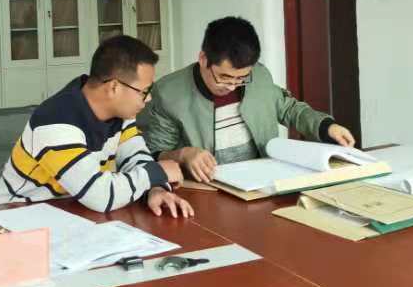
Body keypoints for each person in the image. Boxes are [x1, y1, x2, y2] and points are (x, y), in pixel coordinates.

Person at [0, 35, 193, 218]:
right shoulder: (55, 121)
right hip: (10, 218)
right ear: (114, 87)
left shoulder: (121, 114)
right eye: (144, 91)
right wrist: (156, 173)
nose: (148, 99)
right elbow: (100, 196)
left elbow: (135, 157)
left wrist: (156, 189)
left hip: (69, 214)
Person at [138, 16, 356, 183]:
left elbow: (289, 109)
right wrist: (184, 154)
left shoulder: (259, 75)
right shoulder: (168, 93)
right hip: (208, 188)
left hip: (261, 181)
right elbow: (153, 154)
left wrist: (326, 127)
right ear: (203, 59)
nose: (232, 86)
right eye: (224, 77)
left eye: (242, 78)